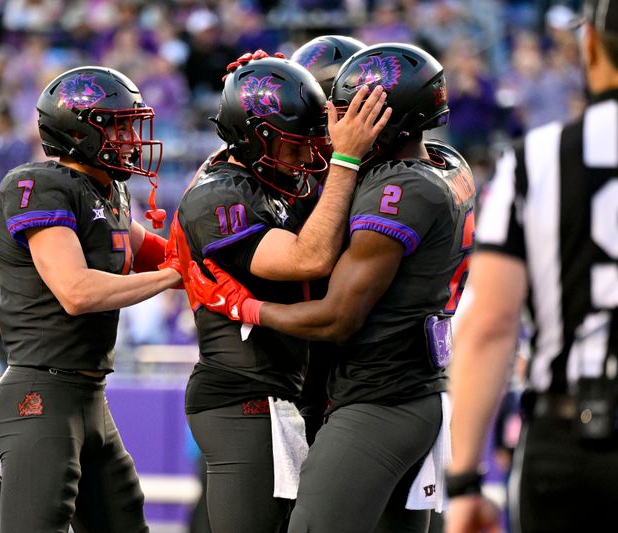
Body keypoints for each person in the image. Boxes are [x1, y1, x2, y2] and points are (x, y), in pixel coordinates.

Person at [186, 43, 475, 533]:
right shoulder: (446, 163)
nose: (327, 126)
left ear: (379, 117)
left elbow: (335, 311)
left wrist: (248, 308)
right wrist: (258, 95)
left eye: (340, 109)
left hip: (379, 393)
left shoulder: (396, 188)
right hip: (407, 385)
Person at [173, 52, 390, 533]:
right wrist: (346, 159)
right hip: (242, 395)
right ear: (253, 137)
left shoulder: (270, 178)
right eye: (295, 146)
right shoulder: (219, 196)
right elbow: (308, 258)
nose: (309, 158)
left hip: (280, 392)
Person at [446, 1, 618, 531]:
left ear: (589, 46)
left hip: (570, 442)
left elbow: (490, 326)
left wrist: (463, 483)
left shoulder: (537, 159)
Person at [0, 65, 180, 533]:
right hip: (41, 395)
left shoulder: (108, 192)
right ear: (78, 129)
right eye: (119, 124)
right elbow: (76, 291)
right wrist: (174, 275)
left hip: (91, 398)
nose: (132, 138)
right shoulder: (38, 184)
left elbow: (162, 255)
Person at [291, 34, 367, 445]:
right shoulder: (290, 173)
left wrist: (252, 310)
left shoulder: (387, 178)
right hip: (304, 357)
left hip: (357, 356)